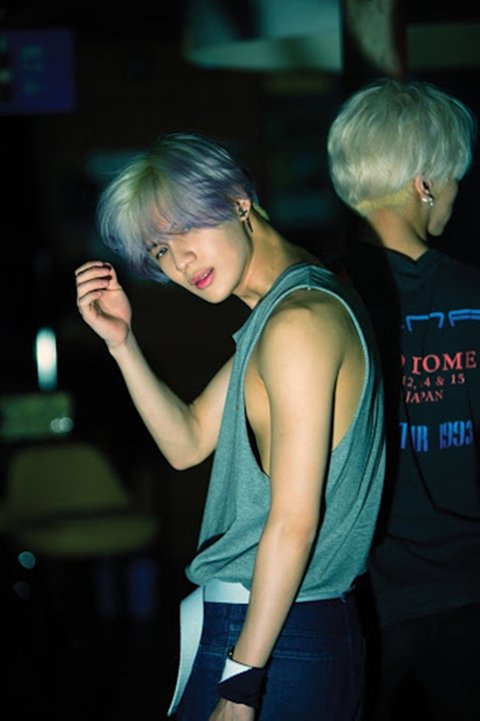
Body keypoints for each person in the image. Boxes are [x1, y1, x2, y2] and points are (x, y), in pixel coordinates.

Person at [75, 131, 385, 721]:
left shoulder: (298, 321)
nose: (179, 261)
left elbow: (294, 522)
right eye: (160, 250)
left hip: (278, 636)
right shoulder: (285, 310)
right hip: (270, 629)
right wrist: (122, 344)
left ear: (240, 201)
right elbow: (188, 442)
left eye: (186, 229)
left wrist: (241, 685)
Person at [327, 78, 480, 721]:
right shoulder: (473, 292)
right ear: (424, 184)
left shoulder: (319, 301)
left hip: (361, 593)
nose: (456, 193)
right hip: (470, 588)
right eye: (453, 179)